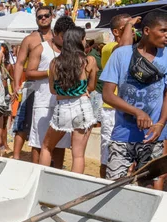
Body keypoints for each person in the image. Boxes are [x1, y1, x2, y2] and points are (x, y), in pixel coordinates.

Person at [100, 11, 167, 186]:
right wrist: (137, 112)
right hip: (122, 134)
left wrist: (161, 123)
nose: (166, 35)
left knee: (152, 184)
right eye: (163, 31)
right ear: (146, 30)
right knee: (115, 185)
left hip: (153, 135)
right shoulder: (121, 55)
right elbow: (107, 94)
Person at [41, 27, 98, 173]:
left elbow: (53, 90)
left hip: (62, 107)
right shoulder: (88, 61)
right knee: (78, 155)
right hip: (83, 105)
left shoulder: (55, 63)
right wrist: (81, 90)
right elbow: (91, 86)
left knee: (47, 146)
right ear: (79, 41)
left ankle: (41, 180)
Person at [26, 16, 76, 168]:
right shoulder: (41, 48)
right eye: (63, 37)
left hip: (64, 105)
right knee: (39, 143)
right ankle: (35, 174)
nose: (66, 41)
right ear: (55, 33)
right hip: (43, 103)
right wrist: (51, 73)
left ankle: (56, 175)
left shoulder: (71, 51)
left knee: (61, 144)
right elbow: (29, 72)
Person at [12, 5, 54, 160]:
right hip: (32, 86)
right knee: (24, 123)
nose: (43, 18)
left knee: (46, 124)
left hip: (51, 89)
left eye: (46, 16)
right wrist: (16, 84)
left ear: (52, 16)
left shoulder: (57, 37)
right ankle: (16, 157)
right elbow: (19, 63)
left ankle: (46, 156)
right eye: (40, 16)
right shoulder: (30, 39)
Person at [99, 14, 137, 178]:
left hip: (125, 107)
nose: (133, 30)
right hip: (111, 108)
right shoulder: (110, 48)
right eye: (127, 27)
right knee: (108, 156)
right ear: (116, 32)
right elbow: (124, 48)